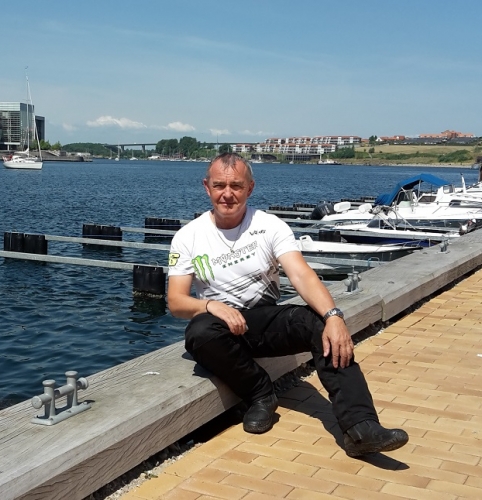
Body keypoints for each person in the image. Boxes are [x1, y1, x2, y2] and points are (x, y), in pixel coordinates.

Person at [167, 152, 408, 457]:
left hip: (264, 322)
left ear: (250, 188)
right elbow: (176, 301)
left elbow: (301, 275)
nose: (227, 194)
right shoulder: (188, 237)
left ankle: (361, 428)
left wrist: (334, 316)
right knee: (199, 332)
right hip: (221, 329)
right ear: (207, 187)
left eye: (236, 186)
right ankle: (260, 394)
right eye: (219, 186)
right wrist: (211, 306)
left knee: (321, 326)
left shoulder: (269, 226)